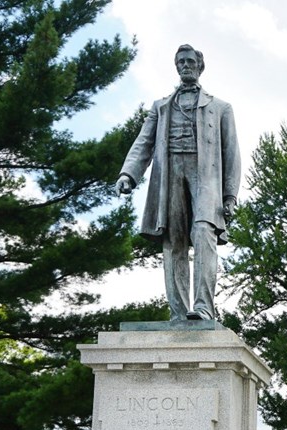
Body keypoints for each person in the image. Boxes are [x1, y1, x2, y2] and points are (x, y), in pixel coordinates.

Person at [116, 44, 240, 322]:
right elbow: (143, 143)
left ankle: (204, 307)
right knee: (174, 240)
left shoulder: (220, 108)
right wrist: (128, 174)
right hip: (170, 172)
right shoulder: (161, 107)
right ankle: (179, 312)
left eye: (190, 61)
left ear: (199, 66)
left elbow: (231, 154)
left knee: (204, 232)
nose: (185, 66)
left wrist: (230, 196)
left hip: (205, 176)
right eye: (180, 62)